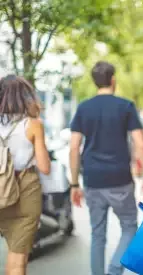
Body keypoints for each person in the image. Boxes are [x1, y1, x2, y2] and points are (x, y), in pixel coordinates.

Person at [69, 61, 143, 275]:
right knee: (130, 227)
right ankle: (115, 268)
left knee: (97, 235)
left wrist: (74, 183)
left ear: (95, 82)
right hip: (120, 179)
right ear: (113, 80)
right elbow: (140, 143)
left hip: (92, 180)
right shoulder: (125, 106)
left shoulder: (83, 108)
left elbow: (74, 147)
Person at [0, 75, 51, 275]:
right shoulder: (33, 125)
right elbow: (45, 167)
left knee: (12, 258)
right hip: (25, 194)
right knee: (18, 260)